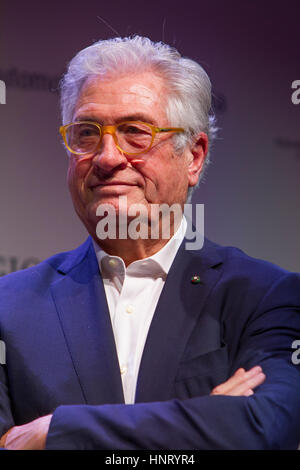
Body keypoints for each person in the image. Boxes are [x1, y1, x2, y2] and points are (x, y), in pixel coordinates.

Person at [0, 36, 299, 450]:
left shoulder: (264, 297)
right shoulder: (8, 308)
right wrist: (205, 419)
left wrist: (58, 433)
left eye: (135, 132)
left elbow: (265, 428)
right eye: (87, 133)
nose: (107, 157)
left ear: (193, 157)